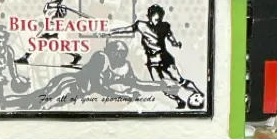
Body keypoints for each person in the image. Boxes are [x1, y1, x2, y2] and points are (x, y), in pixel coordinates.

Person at [10, 39, 167, 110]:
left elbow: (139, 84)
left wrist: (163, 86)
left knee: (34, 103)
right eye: (115, 52)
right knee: (36, 103)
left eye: (122, 53)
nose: (118, 56)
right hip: (67, 86)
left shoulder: (125, 68)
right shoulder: (101, 57)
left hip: (76, 94)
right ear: (108, 51)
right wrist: (124, 95)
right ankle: (3, 104)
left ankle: (4, 104)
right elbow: (100, 87)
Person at [110, 4, 204, 108]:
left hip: (164, 58)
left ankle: (199, 92)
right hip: (152, 61)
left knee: (178, 79)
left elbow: (171, 38)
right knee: (160, 85)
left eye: (160, 19)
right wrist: (111, 32)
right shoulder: (141, 25)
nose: (157, 22)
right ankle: (178, 100)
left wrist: (176, 43)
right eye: (155, 19)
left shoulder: (165, 26)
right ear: (149, 16)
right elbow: (126, 29)